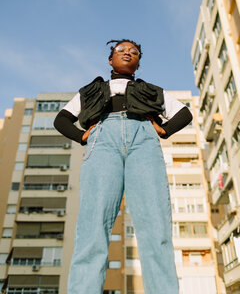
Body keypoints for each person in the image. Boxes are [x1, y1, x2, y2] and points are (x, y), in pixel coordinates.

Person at [54, 39, 193, 294]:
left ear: (138, 62)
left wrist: (164, 130)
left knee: (155, 225)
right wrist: (82, 136)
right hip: (103, 141)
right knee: (93, 225)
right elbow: (61, 119)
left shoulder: (151, 90)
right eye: (122, 50)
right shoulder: (89, 91)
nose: (128, 53)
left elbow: (184, 113)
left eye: (134, 52)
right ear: (110, 60)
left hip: (144, 141)